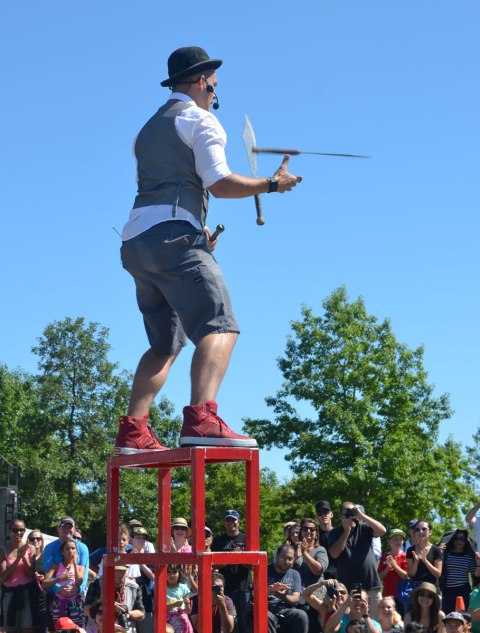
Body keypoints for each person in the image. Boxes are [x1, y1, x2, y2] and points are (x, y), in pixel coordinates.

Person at [113, 45, 302, 455]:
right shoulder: (201, 120)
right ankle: (201, 417)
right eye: (215, 89)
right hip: (175, 242)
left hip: (137, 245)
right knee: (220, 327)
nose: (215, 97)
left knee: (164, 345)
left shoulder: (144, 131)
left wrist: (195, 233)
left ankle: (133, 430)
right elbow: (219, 183)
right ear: (201, 82)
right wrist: (272, 184)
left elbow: (163, 188)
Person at [328, 502, 386, 619]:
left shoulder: (364, 527)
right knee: (351, 624)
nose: (351, 515)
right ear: (341, 516)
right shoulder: (335, 533)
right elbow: (334, 554)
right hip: (348, 589)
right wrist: (346, 531)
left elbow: (382, 531)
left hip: (371, 585)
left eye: (353, 512)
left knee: (376, 622)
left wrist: (362, 516)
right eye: (348, 513)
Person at [211, 510, 250, 633]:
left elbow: (252, 566)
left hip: (243, 587)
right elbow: (213, 564)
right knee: (223, 618)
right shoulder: (218, 541)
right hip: (224, 587)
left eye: (233, 520)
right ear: (224, 523)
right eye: (228, 520)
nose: (231, 523)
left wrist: (240, 557)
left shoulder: (246, 539)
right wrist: (231, 557)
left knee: (244, 621)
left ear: (239, 522)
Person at [0, 519, 37, 633]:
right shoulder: (3, 550)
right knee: (11, 629)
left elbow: (31, 574)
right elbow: (3, 577)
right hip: (10, 595)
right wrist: (17, 559)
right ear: (9, 532)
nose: (19, 533)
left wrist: (24, 559)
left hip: (27, 593)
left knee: (27, 629)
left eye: (22, 530)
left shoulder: (30, 549)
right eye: (15, 530)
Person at [84, 565, 144, 633]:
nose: (117, 581)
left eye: (121, 578)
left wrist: (126, 613)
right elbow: (86, 610)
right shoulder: (97, 584)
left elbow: (141, 614)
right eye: (114, 577)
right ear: (107, 573)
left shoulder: (134, 587)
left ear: (126, 574)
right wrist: (104, 606)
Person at [42, 538, 85, 626]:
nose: (70, 551)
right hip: (59, 602)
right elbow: (44, 584)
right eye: (67, 548)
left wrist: (75, 564)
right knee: (59, 626)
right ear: (62, 552)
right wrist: (59, 579)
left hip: (75, 603)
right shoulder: (56, 566)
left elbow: (79, 582)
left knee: (76, 627)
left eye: (73, 548)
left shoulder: (80, 567)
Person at [267, 543, 308, 633]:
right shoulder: (265, 570)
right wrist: (270, 590)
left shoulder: (295, 574)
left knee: (301, 615)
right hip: (268, 608)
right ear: (276, 556)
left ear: (293, 561)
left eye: (290, 559)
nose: (286, 561)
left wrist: (282, 596)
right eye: (283, 557)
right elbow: (254, 594)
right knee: (265, 616)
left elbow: (295, 599)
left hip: (286, 610)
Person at [439, 530, 480, 613]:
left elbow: (475, 574)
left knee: (463, 616)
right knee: (448, 615)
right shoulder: (446, 554)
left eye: (462, 539)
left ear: (466, 542)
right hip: (448, 591)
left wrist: (478, 564)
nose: (459, 541)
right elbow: (439, 568)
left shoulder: (469, 556)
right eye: (456, 539)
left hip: (463, 590)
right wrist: (439, 552)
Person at [378, 529, 408, 614]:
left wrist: (394, 565)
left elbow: (406, 577)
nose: (398, 541)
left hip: (402, 597)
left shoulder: (405, 556)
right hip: (387, 596)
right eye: (395, 538)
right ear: (389, 541)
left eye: (401, 539)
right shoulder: (384, 557)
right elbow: (379, 577)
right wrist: (387, 568)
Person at [406, 520, 442, 587]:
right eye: (417, 529)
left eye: (424, 529)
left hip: (431, 589)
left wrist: (425, 561)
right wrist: (416, 562)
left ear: (430, 532)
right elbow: (410, 575)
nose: (420, 531)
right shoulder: (410, 550)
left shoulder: (436, 550)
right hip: (416, 590)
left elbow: (438, 574)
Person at [166, 565, 193, 633]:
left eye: (174, 572)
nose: (172, 575)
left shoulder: (183, 587)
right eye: (169, 572)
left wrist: (187, 604)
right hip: (166, 620)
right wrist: (174, 604)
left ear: (179, 573)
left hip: (181, 619)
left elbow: (188, 610)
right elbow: (160, 608)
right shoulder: (162, 587)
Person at [316, 501, 338, 580]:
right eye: (320, 513)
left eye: (326, 512)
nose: (323, 515)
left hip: (339, 576)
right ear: (317, 517)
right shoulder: (314, 534)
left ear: (331, 514)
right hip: (320, 577)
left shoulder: (339, 533)